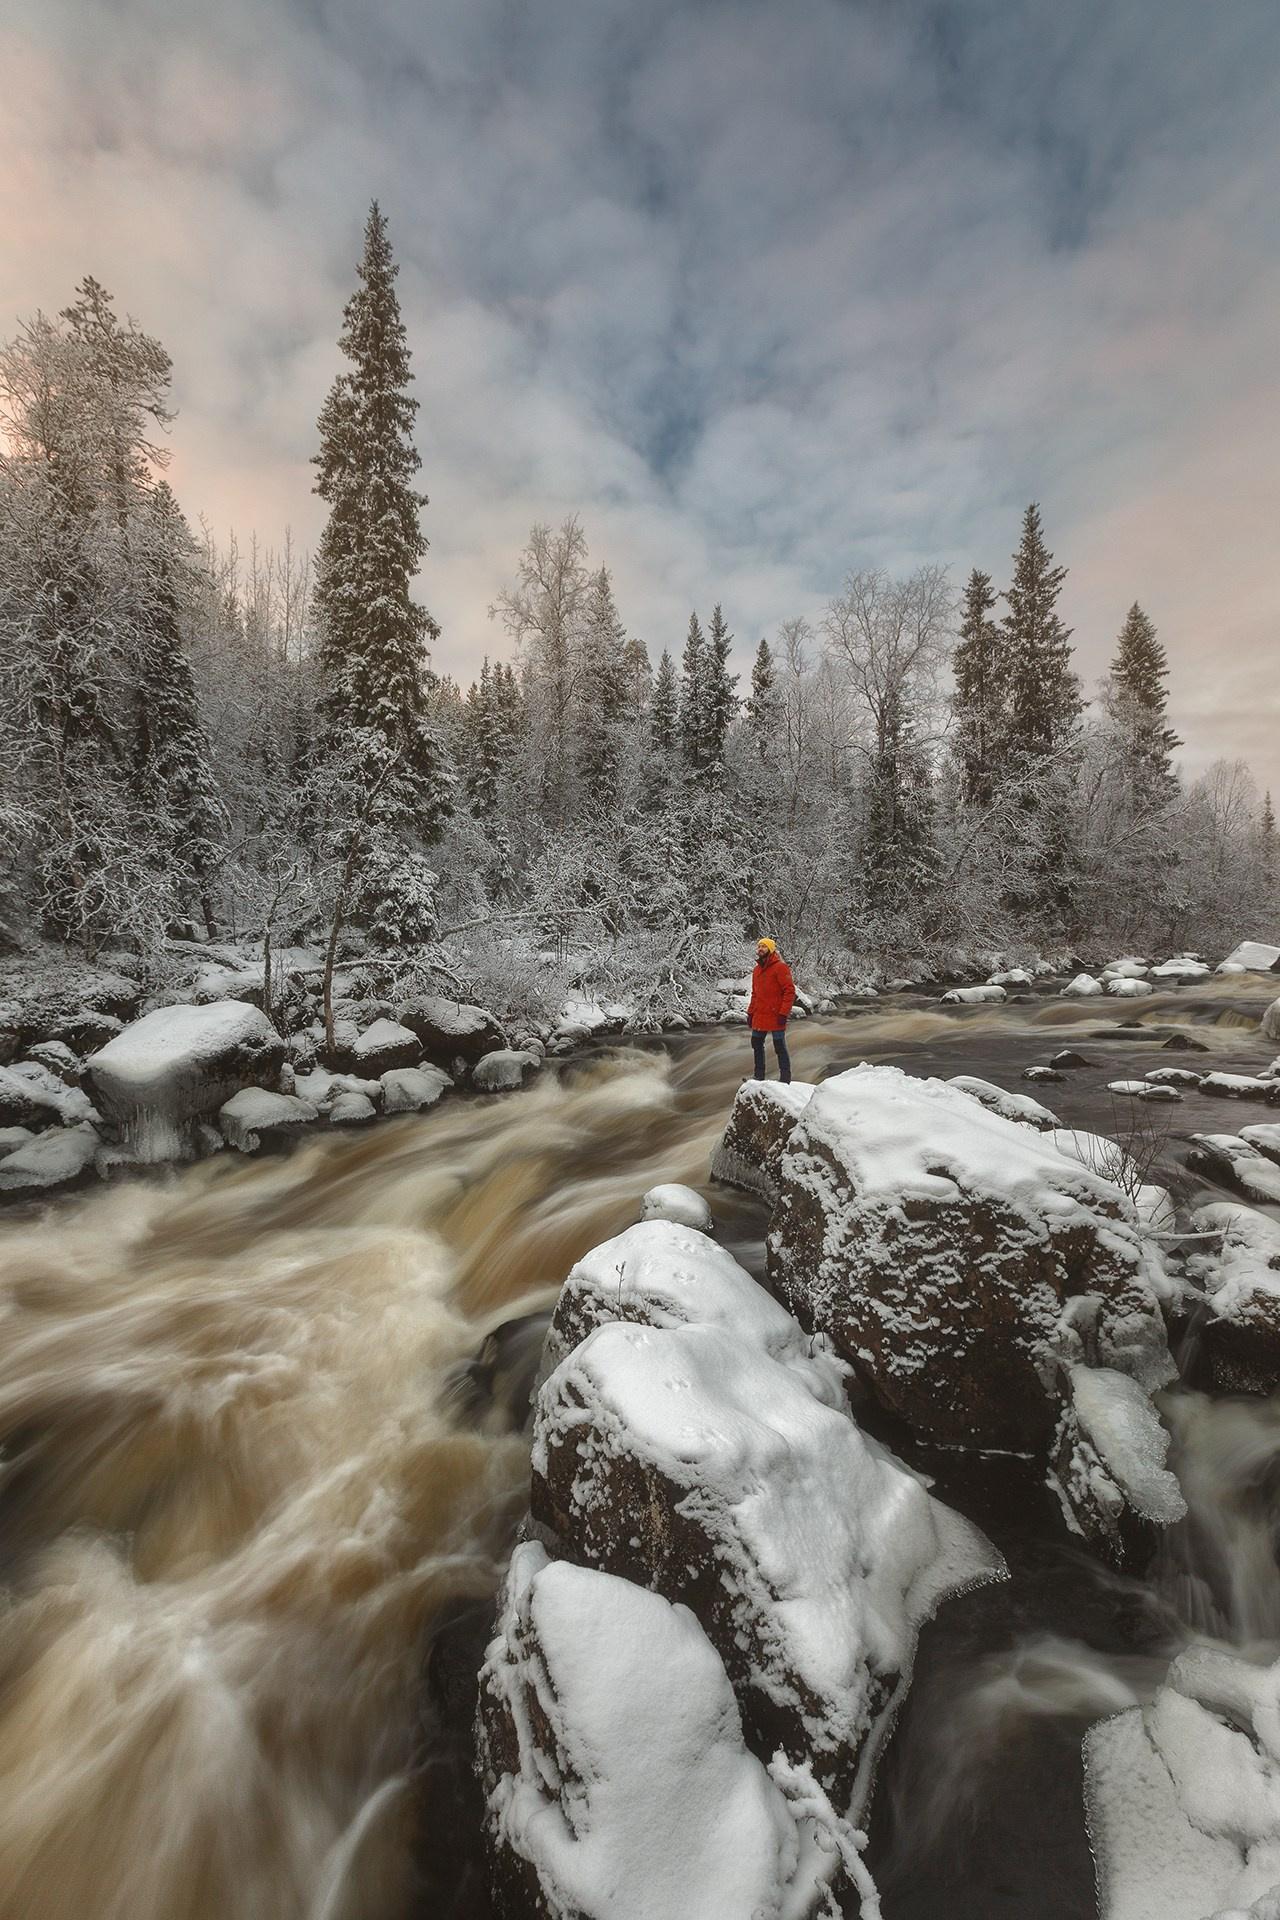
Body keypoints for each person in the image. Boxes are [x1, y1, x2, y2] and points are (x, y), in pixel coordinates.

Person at [746, 937, 795, 1083]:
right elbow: (755, 994)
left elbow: (789, 992)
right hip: (760, 1014)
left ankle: (785, 1079)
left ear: (771, 949)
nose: (760, 949)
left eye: (764, 946)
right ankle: (758, 1076)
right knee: (756, 1043)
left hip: (776, 1014)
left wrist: (783, 1013)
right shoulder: (756, 970)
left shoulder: (780, 967)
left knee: (779, 1047)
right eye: (759, 946)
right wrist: (750, 1012)